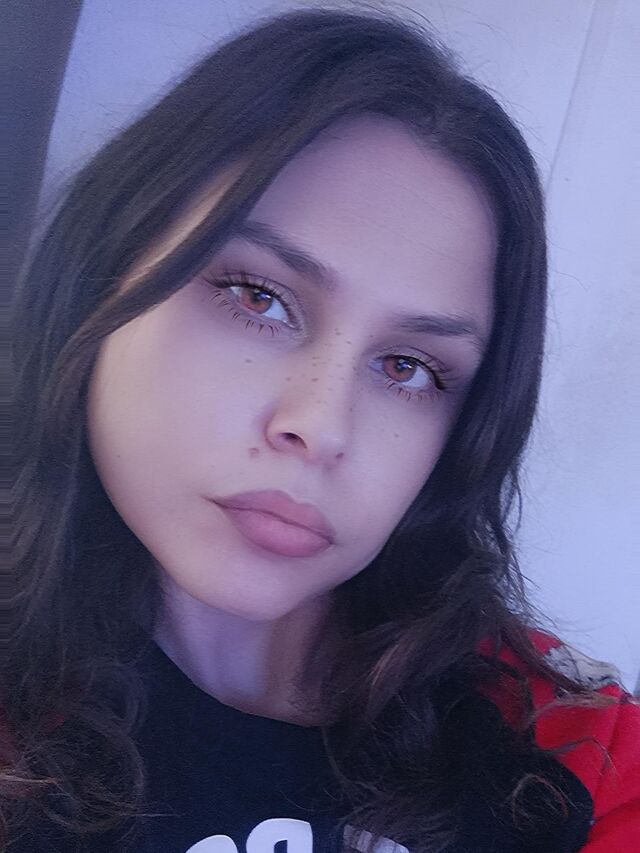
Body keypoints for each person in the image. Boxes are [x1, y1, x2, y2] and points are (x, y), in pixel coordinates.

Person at [4, 6, 639, 853]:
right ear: (103, 270)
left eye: (408, 367)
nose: (321, 425)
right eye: (258, 297)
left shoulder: (572, 750)